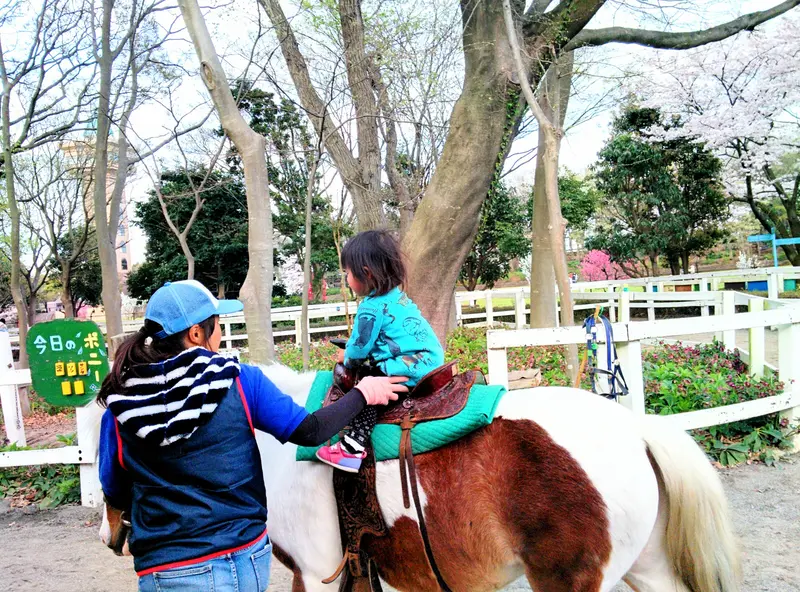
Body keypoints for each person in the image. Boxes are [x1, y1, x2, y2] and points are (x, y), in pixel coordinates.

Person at [97, 280, 407, 592]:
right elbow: (311, 431)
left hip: (170, 568)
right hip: (245, 559)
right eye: (217, 323)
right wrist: (364, 394)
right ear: (196, 334)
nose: (219, 331)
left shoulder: (122, 406)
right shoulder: (239, 381)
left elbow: (116, 490)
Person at [316, 230, 444, 473]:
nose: (346, 278)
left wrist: (348, 357)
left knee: (372, 390)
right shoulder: (397, 297)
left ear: (365, 273)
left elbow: (359, 347)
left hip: (410, 363)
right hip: (429, 357)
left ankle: (351, 448)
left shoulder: (370, 308)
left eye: (347, 273)